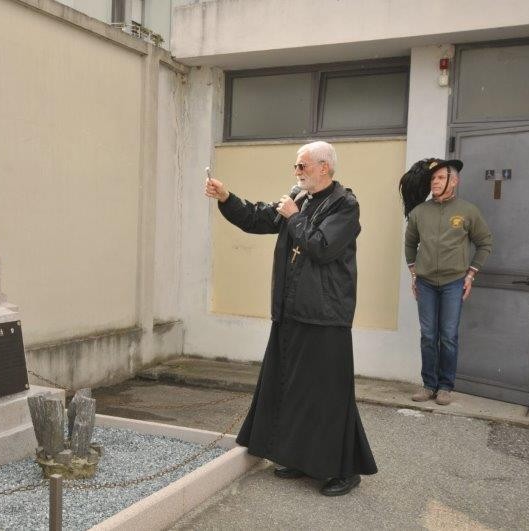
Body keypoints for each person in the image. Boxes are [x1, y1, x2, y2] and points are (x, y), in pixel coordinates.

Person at [204, 141, 377, 497]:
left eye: (302, 166)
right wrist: (226, 197)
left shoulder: (345, 205)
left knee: (329, 396)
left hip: (326, 317)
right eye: (296, 167)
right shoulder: (299, 198)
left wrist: (293, 216)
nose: (297, 173)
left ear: (324, 167)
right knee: (296, 390)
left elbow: (323, 247)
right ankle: (301, 458)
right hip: (292, 312)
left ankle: (344, 471)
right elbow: (256, 218)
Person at [402, 158, 493, 406]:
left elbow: (485, 243)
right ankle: (428, 385)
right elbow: (410, 244)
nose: (435, 182)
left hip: (454, 282)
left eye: (441, 178)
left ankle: (445, 387)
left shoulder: (468, 211)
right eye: (433, 178)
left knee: (449, 336)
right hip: (426, 283)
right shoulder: (419, 212)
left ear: (454, 181)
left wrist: (471, 274)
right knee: (429, 336)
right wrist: (413, 272)